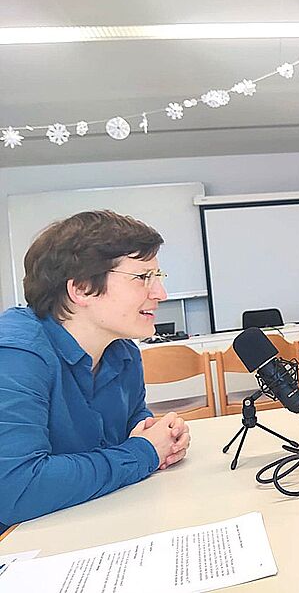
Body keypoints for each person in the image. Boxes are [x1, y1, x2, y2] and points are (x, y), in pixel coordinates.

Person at [0, 210, 191, 532]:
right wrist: (144, 452)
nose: (160, 293)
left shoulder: (121, 350)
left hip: (89, 520)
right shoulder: (16, 355)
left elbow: (130, 426)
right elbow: (15, 488)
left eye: (158, 277)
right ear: (83, 289)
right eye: (143, 277)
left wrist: (162, 436)